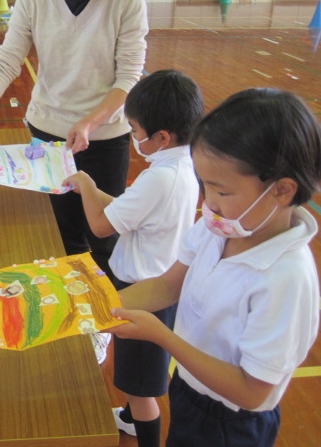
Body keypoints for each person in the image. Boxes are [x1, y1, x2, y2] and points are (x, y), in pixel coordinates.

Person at [0, 0, 148, 362]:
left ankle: (103, 319)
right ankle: (74, 316)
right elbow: (7, 61)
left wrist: (90, 122)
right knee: (64, 234)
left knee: (105, 237)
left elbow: (129, 77)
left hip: (105, 138)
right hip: (48, 135)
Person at [106, 88, 321, 446]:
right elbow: (167, 285)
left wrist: (162, 336)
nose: (210, 204)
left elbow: (253, 392)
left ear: (282, 190)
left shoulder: (286, 278)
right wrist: (97, 305)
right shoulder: (218, 228)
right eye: (204, 186)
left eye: (221, 191)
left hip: (231, 422)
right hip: (191, 387)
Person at [64, 70, 203, 447]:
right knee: (134, 373)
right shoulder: (182, 165)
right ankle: (128, 419)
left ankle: (145, 436)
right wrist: (90, 191)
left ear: (162, 137)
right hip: (158, 284)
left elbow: (100, 227)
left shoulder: (159, 178)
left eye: (136, 130)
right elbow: (127, 211)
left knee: (140, 388)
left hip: (145, 291)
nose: (133, 137)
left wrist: (87, 186)